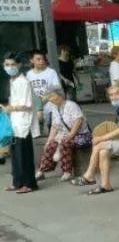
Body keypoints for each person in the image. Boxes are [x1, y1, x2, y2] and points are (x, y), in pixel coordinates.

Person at [2, 52, 39, 193]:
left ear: (19, 65)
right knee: (15, 155)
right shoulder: (13, 80)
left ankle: (29, 184)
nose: (10, 67)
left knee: (24, 155)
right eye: (7, 64)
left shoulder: (23, 81)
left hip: (23, 122)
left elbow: (28, 105)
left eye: (12, 64)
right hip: (15, 122)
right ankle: (17, 182)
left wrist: (11, 108)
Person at [36, 88, 91, 181]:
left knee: (65, 143)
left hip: (81, 135)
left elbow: (78, 120)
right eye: (49, 97)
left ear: (61, 95)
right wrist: (49, 140)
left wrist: (70, 135)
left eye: (53, 96)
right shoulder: (54, 108)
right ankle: (41, 171)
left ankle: (67, 171)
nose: (51, 99)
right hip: (64, 134)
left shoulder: (71, 105)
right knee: (50, 145)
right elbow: (54, 126)